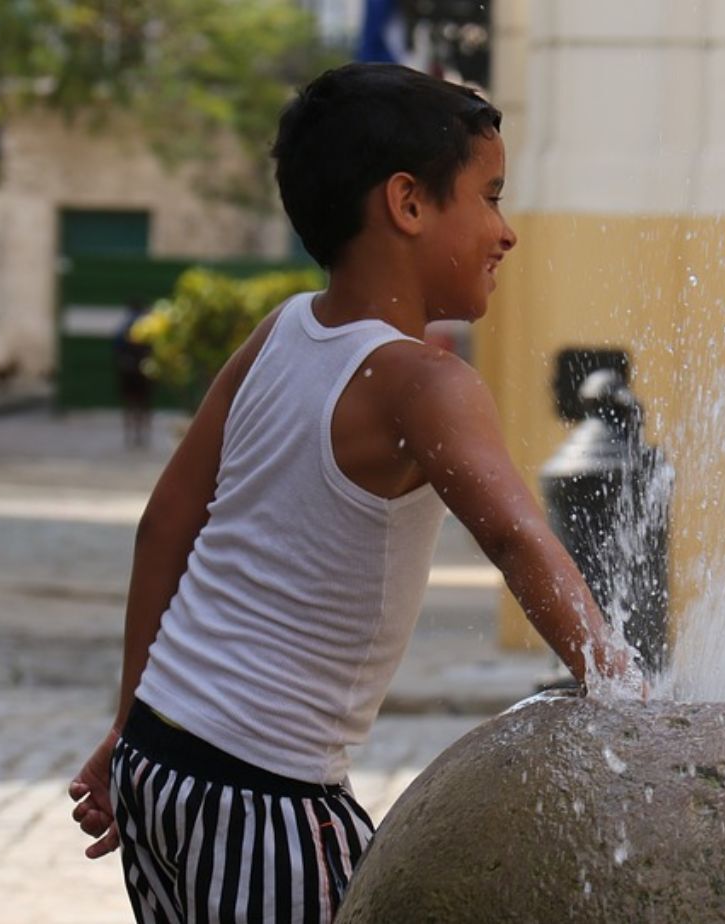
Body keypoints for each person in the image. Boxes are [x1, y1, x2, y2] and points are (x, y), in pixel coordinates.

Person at [67, 63, 641, 923]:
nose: (506, 230)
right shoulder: (423, 383)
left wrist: (127, 723)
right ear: (408, 204)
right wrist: (621, 687)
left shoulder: (282, 332)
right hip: (267, 798)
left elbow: (166, 523)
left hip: (159, 757)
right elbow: (519, 539)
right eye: (489, 197)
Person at [112, 301, 154, 449]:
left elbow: (116, 347)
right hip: (143, 370)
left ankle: (130, 435)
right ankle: (142, 435)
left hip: (128, 370)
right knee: (144, 404)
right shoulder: (145, 325)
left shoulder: (124, 325)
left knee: (130, 403)